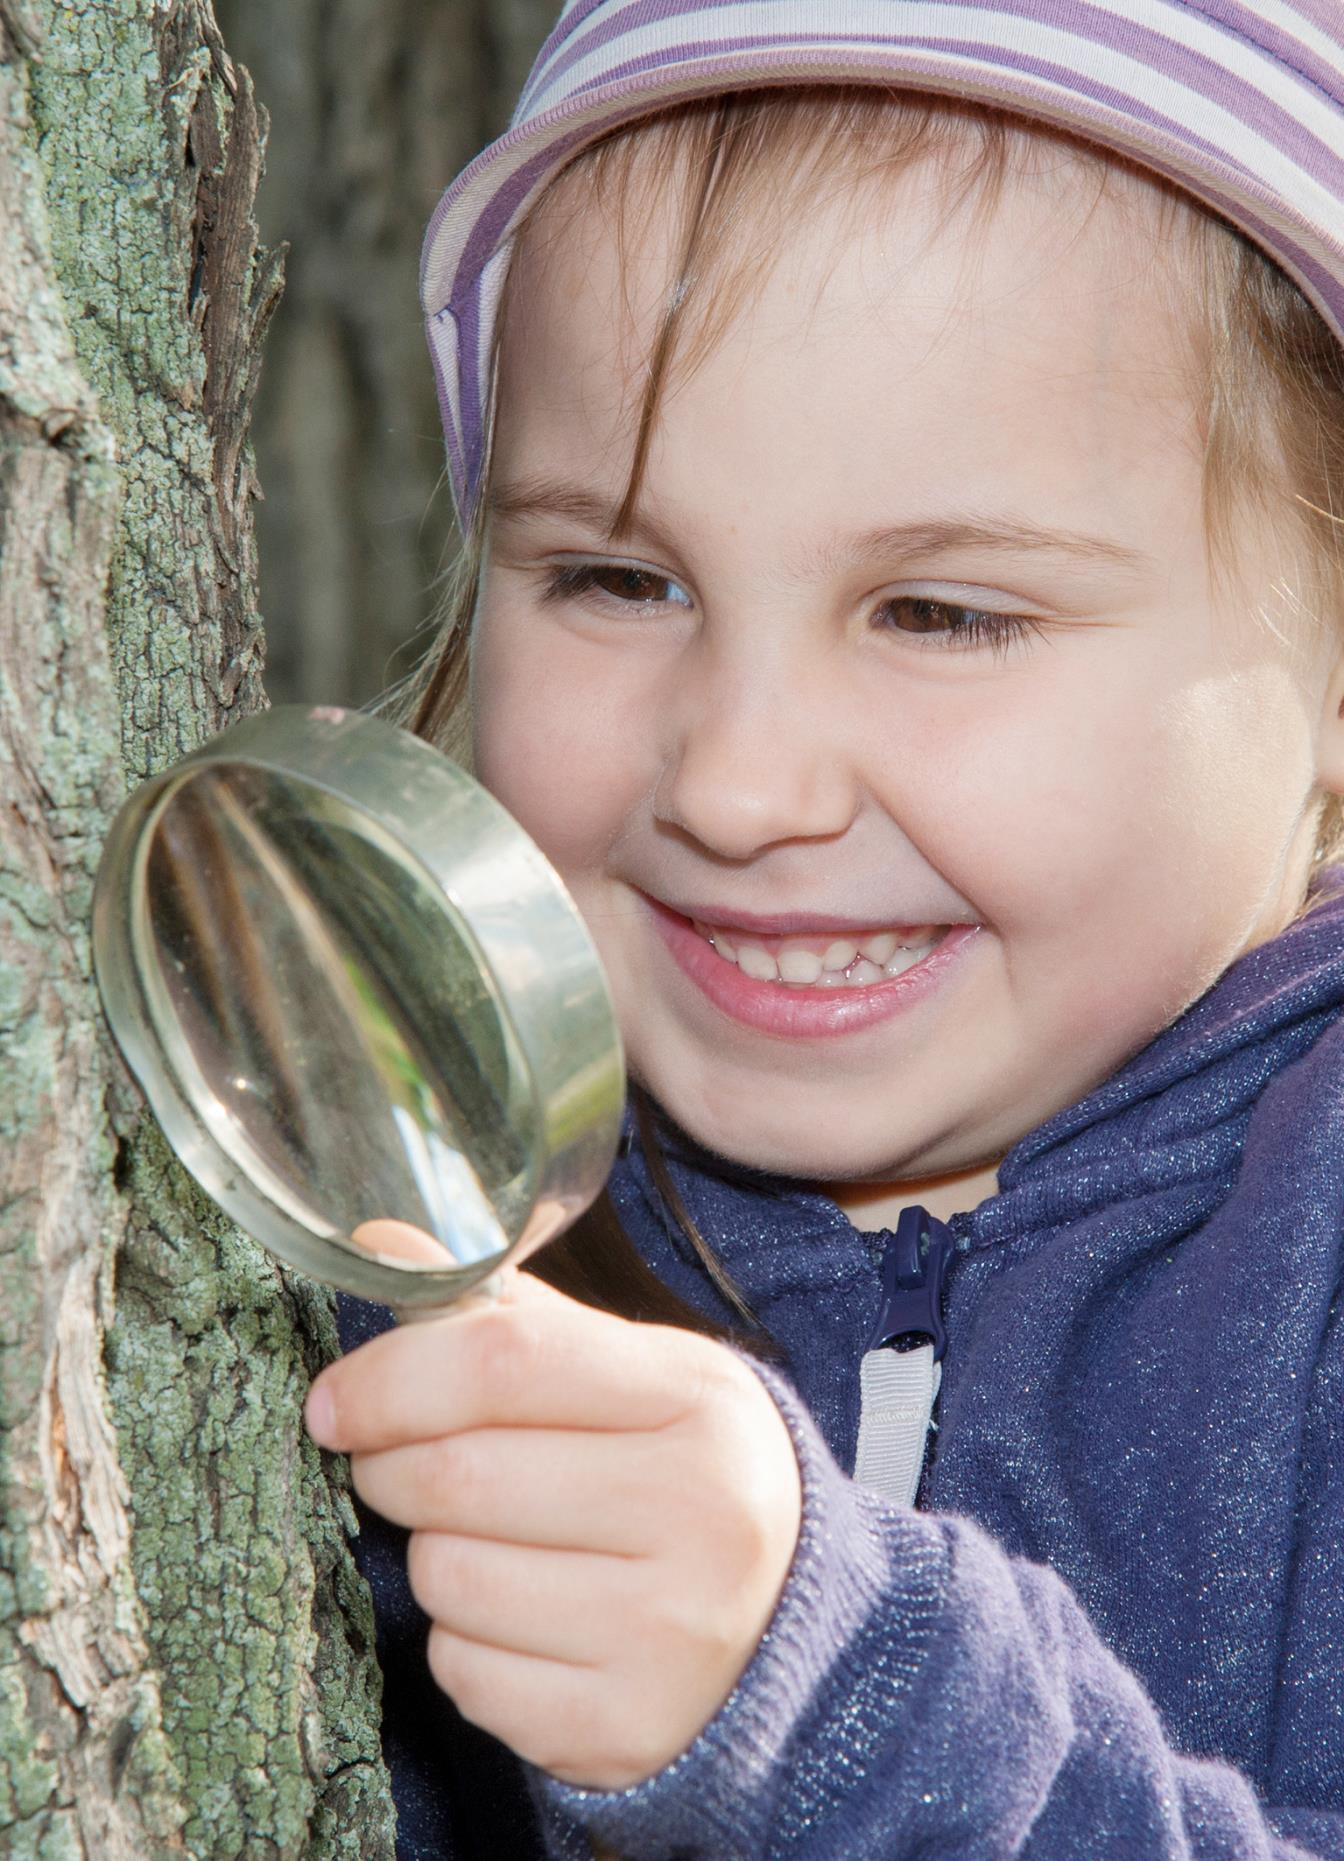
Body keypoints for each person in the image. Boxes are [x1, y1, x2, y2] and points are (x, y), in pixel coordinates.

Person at [306, 4, 1344, 1855]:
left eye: (940, 613)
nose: (741, 783)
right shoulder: (382, 1209)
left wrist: (855, 1703)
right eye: (619, 580)